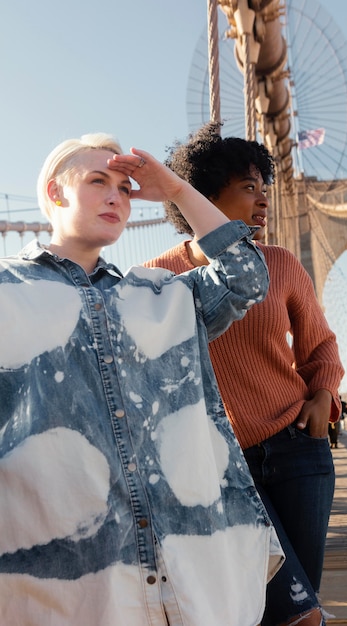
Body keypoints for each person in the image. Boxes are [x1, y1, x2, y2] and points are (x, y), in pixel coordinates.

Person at [0, 132, 284, 626]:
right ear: (54, 192)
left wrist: (175, 189)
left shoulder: (159, 295)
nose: (116, 195)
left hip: (186, 574)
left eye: (126, 188)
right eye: (97, 181)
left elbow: (246, 276)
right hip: (66, 587)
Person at [144, 122, 345, 626]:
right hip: (222, 467)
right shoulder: (156, 279)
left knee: (298, 604)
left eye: (265, 189)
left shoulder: (280, 263)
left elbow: (320, 343)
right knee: (292, 612)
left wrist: (323, 395)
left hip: (299, 450)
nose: (263, 201)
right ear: (204, 195)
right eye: (247, 187)